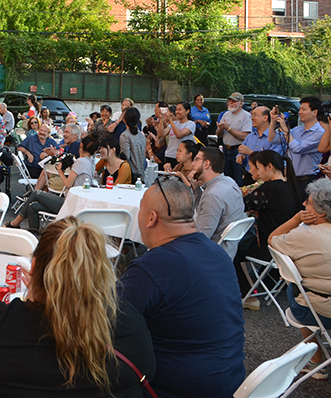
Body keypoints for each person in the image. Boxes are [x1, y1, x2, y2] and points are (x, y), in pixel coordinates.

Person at [0, 217, 155, 397]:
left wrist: (32, 297)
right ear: (99, 271)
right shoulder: (128, 322)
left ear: (33, 267)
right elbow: (147, 370)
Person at [118, 176, 246, 398]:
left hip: (174, 388)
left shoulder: (153, 267)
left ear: (151, 218)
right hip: (231, 382)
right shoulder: (217, 253)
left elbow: (100, 319)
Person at [269, 178, 331, 378]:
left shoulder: (303, 236)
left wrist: (296, 219)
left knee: (295, 288)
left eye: (308, 202)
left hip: (318, 311)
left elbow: (272, 240)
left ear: (320, 212)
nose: (304, 204)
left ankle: (317, 360)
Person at [236, 150, 300, 309]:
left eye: (258, 168)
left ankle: (249, 295)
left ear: (269, 167)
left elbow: (243, 204)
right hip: (287, 245)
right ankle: (260, 287)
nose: (257, 172)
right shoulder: (289, 185)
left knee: (235, 251)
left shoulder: (269, 187)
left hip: (271, 247)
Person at [6, 133, 99, 231]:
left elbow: (68, 184)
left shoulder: (80, 161)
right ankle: (34, 234)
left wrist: (60, 171)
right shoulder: (91, 162)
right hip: (79, 203)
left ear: (81, 145)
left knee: (36, 193)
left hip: (70, 203)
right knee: (32, 207)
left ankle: (15, 223)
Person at [189, 146, 246, 258]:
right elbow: (203, 209)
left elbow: (201, 236)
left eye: (196, 159)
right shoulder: (229, 181)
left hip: (213, 254)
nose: (192, 164)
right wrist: (195, 189)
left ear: (206, 164)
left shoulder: (213, 195)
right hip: (229, 248)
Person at [269, 96, 325, 201]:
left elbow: (298, 148)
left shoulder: (319, 133)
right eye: (299, 109)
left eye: (303, 109)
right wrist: (273, 121)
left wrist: (286, 130)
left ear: (315, 112)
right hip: (290, 179)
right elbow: (272, 139)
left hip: (306, 181)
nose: (300, 112)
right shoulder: (296, 130)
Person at [236, 106, 283, 184]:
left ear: (265, 118)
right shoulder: (250, 137)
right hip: (250, 176)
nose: (252, 118)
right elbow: (241, 152)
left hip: (268, 178)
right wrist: (240, 156)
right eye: (252, 115)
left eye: (255, 115)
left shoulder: (276, 138)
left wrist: (251, 153)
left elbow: (272, 159)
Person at [216, 92, 252, 186]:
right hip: (225, 150)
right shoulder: (225, 115)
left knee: (238, 179)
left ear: (241, 103)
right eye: (230, 100)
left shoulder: (246, 116)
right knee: (226, 178)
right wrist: (221, 128)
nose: (231, 103)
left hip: (238, 151)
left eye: (234, 101)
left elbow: (245, 136)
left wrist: (228, 128)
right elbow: (218, 134)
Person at [157, 101, 195, 169]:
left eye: (180, 110)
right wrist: (161, 119)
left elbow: (179, 135)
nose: (177, 112)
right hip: (169, 155)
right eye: (176, 109)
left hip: (182, 158)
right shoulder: (174, 123)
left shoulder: (190, 124)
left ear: (187, 111)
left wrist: (170, 120)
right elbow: (161, 133)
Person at [119, 107, 146, 180]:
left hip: (130, 175)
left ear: (124, 120)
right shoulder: (141, 135)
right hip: (141, 173)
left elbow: (125, 157)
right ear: (138, 121)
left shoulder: (125, 136)